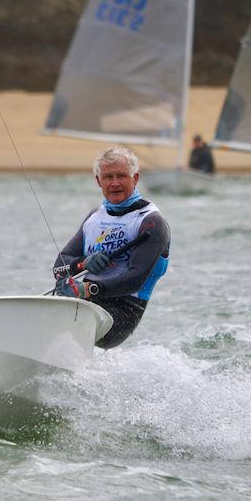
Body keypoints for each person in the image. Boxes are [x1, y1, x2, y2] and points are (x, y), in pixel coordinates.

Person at [53, 146, 170, 349]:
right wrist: (82, 264)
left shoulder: (151, 222)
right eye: (108, 177)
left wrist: (88, 289)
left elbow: (135, 279)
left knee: (68, 325)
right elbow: (58, 268)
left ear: (135, 178)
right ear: (99, 181)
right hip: (86, 301)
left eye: (121, 176)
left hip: (124, 311)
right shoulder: (94, 218)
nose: (115, 183)